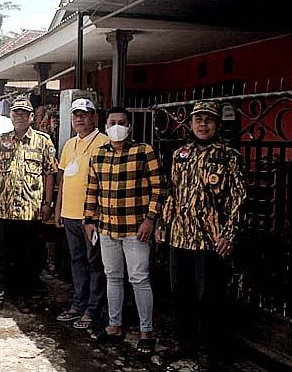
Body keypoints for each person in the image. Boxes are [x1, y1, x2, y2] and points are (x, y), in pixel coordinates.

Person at [156, 101, 246, 371]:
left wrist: (229, 234)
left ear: (217, 124)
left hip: (211, 240)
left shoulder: (229, 156)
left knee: (209, 297)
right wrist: (163, 222)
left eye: (208, 120)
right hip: (180, 237)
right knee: (180, 293)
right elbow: (172, 192)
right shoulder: (180, 155)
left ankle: (208, 350)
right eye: (198, 120)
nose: (202, 124)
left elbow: (238, 199)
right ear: (191, 123)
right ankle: (184, 342)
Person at [83, 107, 166, 355]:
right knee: (113, 277)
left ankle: (145, 332)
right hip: (107, 228)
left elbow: (159, 187)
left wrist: (150, 219)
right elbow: (92, 191)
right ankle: (115, 325)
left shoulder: (144, 152)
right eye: (113, 122)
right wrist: (89, 220)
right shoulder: (97, 155)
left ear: (129, 126)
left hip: (136, 230)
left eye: (122, 122)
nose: (117, 126)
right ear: (106, 126)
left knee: (139, 279)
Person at [0, 98, 58, 316]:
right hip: (4, 210)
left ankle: (24, 297)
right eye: (16, 113)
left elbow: (50, 175)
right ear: (10, 116)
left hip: (31, 211)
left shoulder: (43, 141)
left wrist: (48, 203)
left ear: (31, 117)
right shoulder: (1, 141)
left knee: (28, 257)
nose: (19, 117)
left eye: (24, 113)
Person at [54, 98, 109, 330]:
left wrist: (97, 215)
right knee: (77, 262)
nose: (79, 118)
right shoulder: (69, 145)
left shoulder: (104, 142)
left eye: (84, 114)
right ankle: (78, 304)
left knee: (95, 263)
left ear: (93, 116)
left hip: (92, 218)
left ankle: (92, 309)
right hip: (70, 215)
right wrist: (58, 210)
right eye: (75, 114)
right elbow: (63, 180)